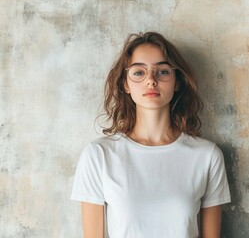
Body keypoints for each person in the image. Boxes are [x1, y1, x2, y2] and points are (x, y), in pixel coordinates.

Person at [71, 31, 231, 238]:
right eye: (139, 72)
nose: (151, 80)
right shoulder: (99, 154)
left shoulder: (207, 155)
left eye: (162, 71)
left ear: (178, 82)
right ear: (125, 84)